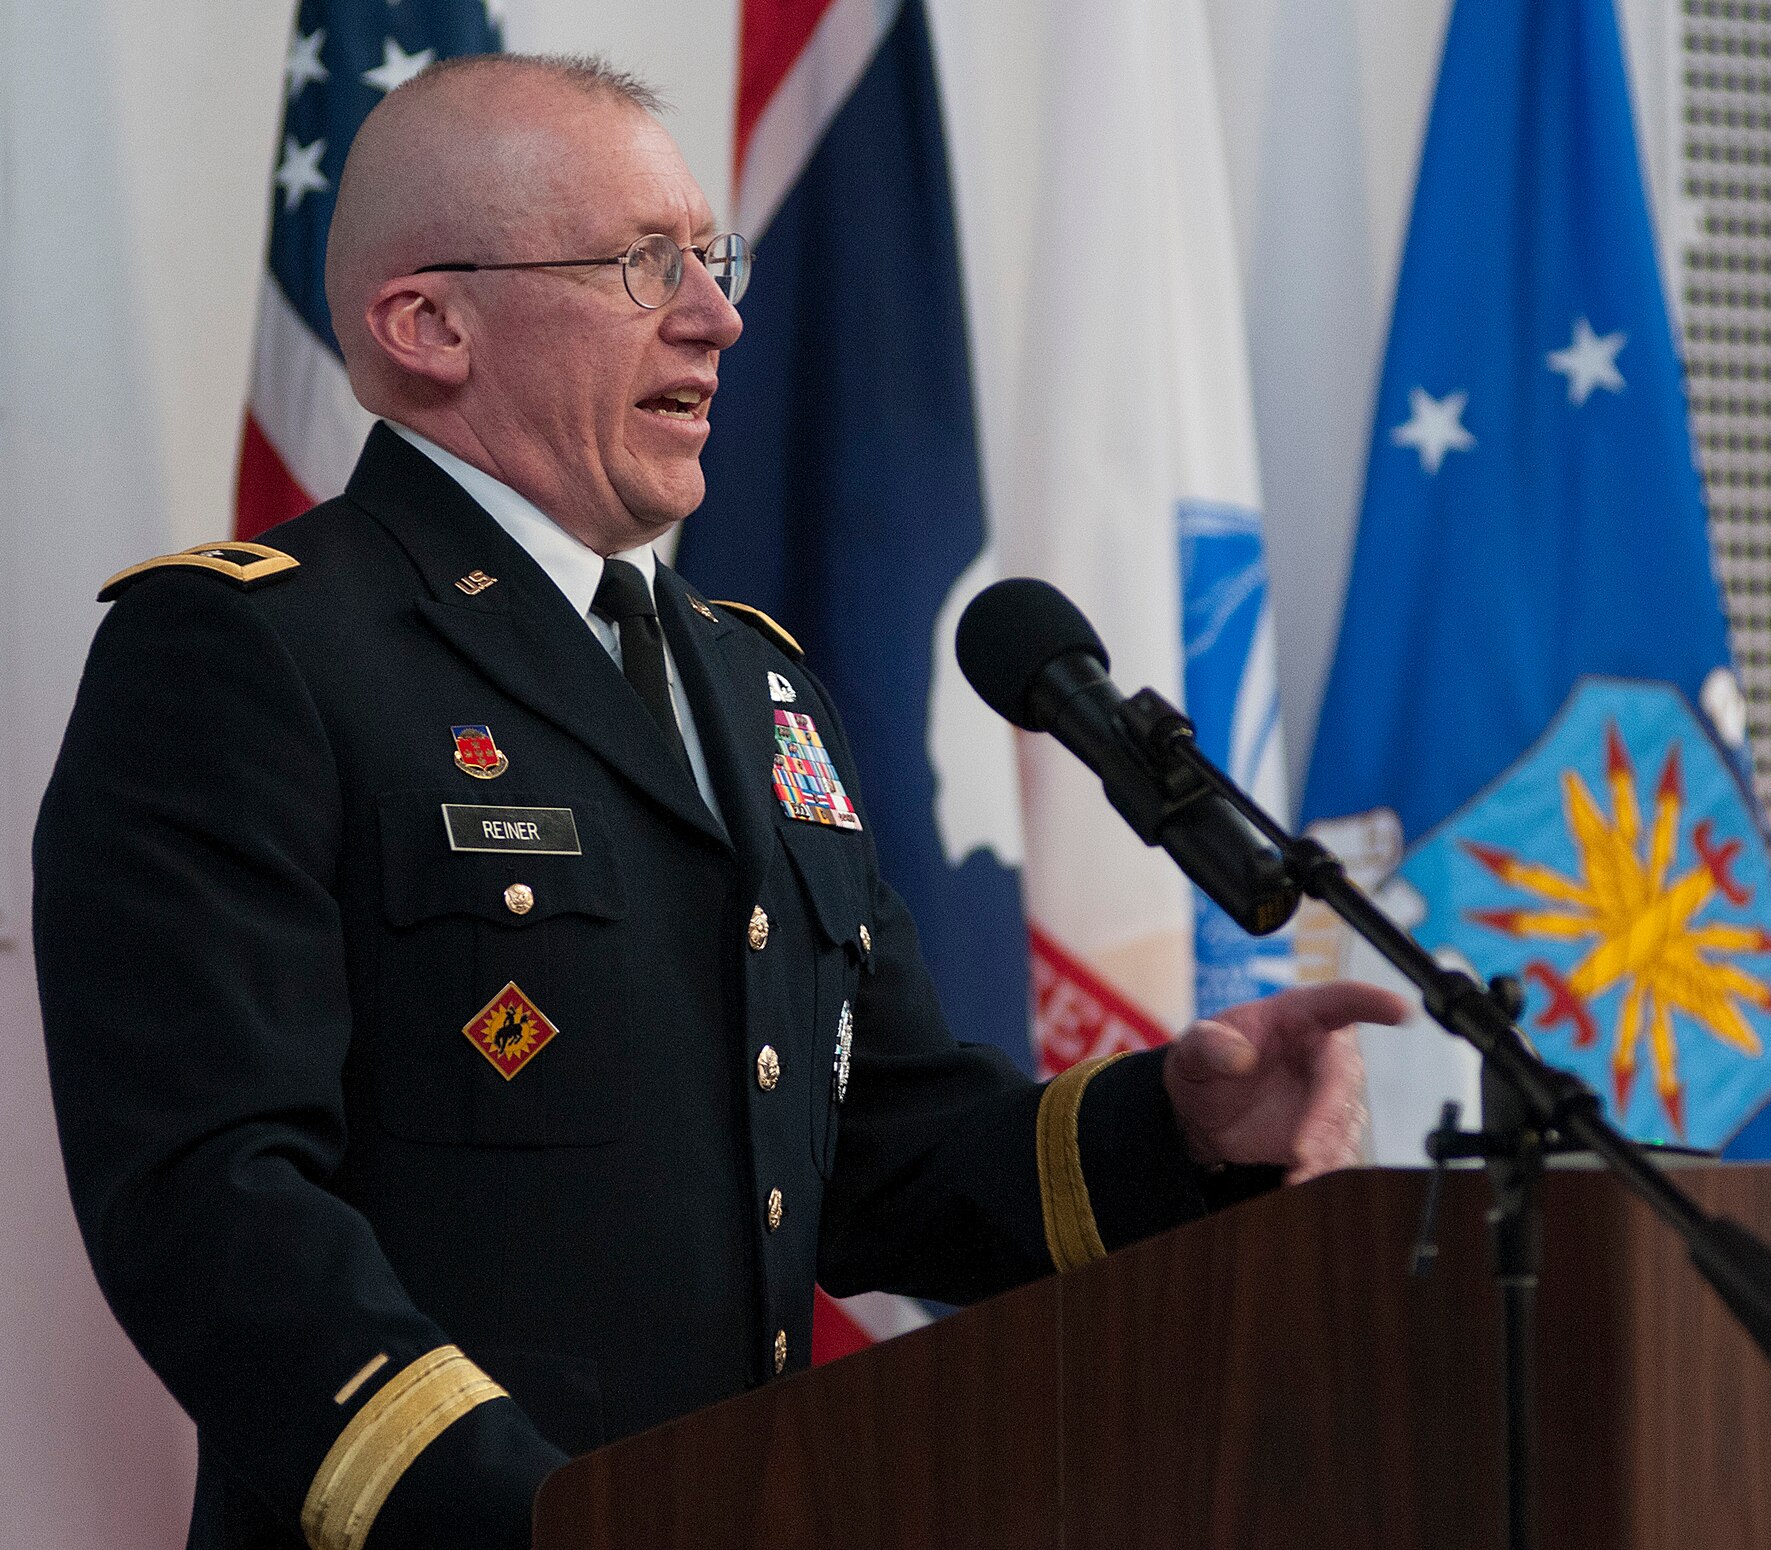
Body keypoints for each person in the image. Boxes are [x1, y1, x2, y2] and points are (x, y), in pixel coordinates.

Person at [33, 54, 1403, 1550]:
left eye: (712, 255)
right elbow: (213, 1201)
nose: (717, 314)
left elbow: (880, 1143)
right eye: (641, 265)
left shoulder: (755, 686)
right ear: (427, 324)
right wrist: (539, 1518)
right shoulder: (253, 652)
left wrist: (1179, 1127)